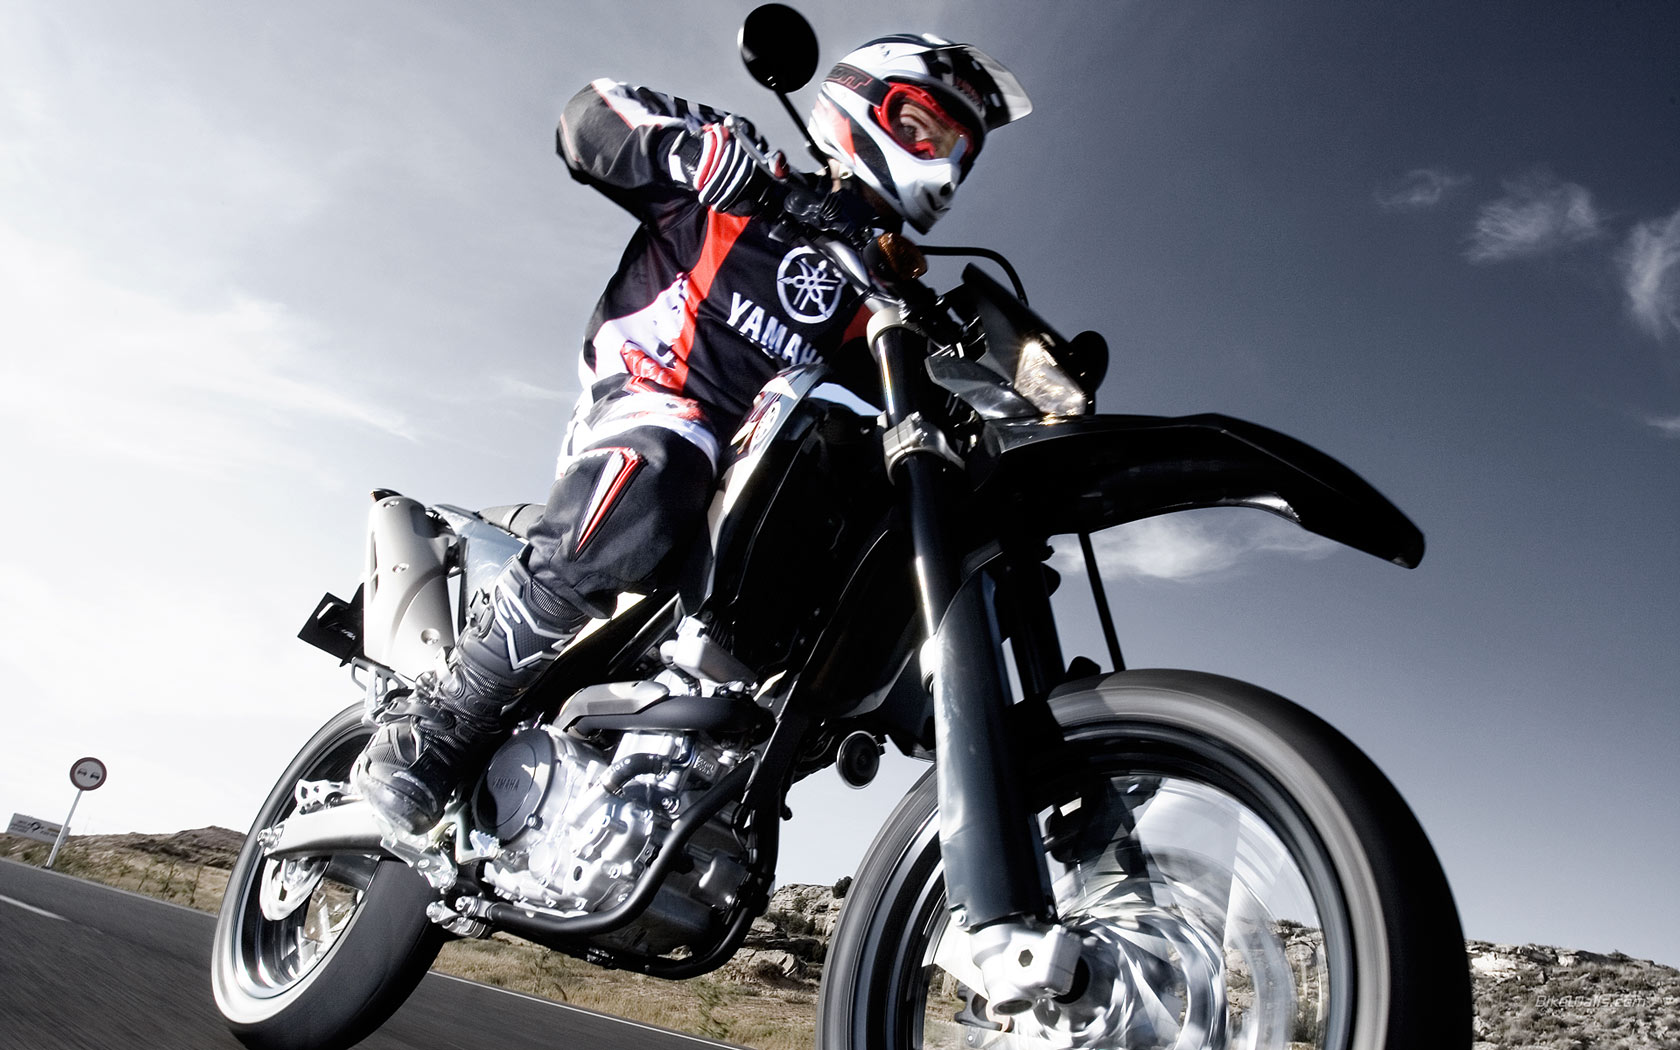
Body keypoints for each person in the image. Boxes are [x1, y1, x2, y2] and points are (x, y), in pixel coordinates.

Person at [353, 34, 1032, 835]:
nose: (943, 164)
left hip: (755, 478)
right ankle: (450, 709)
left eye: (958, 150)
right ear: (863, 104)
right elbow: (590, 118)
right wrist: (691, 153)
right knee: (669, 456)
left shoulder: (889, 301)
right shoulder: (740, 173)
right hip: (652, 399)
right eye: (926, 129)